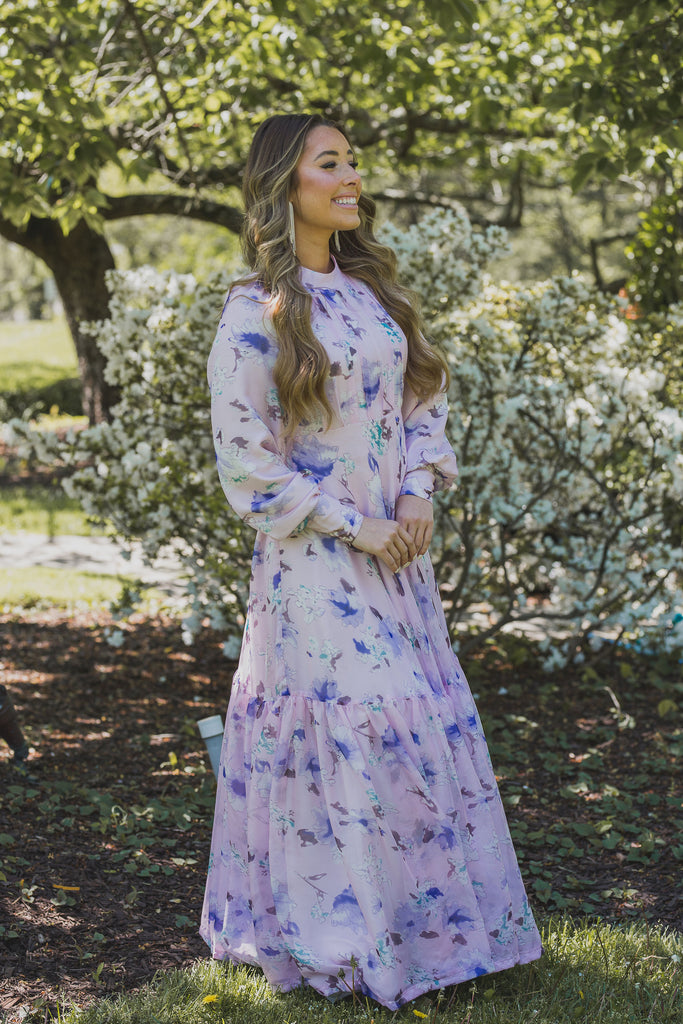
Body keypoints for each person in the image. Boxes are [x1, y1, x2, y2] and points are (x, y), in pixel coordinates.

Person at [200, 113, 542, 1009]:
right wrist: (356, 525)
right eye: (330, 164)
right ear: (285, 186)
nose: (351, 176)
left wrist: (419, 490)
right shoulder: (253, 313)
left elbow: (421, 399)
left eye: (352, 161)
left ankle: (423, 934)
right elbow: (244, 457)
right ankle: (339, 941)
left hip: (399, 560)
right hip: (317, 567)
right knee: (353, 735)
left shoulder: (371, 295)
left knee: (410, 735)